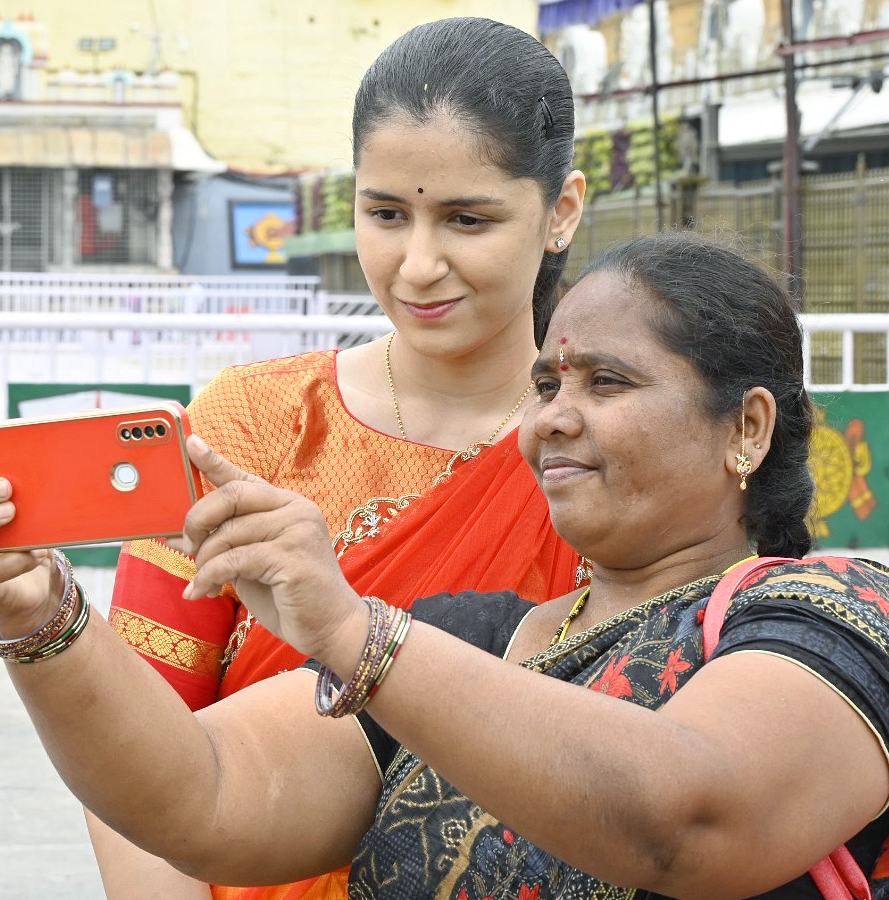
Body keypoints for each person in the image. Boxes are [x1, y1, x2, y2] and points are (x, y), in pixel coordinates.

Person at [0, 231, 889, 899]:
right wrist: (43, 621)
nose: (553, 419)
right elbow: (199, 798)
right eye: (546, 382)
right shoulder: (475, 639)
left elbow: (690, 818)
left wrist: (350, 630)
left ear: (745, 429)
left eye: (607, 383)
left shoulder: (837, 619)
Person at [100, 17, 586, 899]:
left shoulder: (597, 445)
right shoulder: (250, 422)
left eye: (467, 220)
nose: (418, 264)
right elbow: (134, 733)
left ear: (561, 211)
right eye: (387, 214)